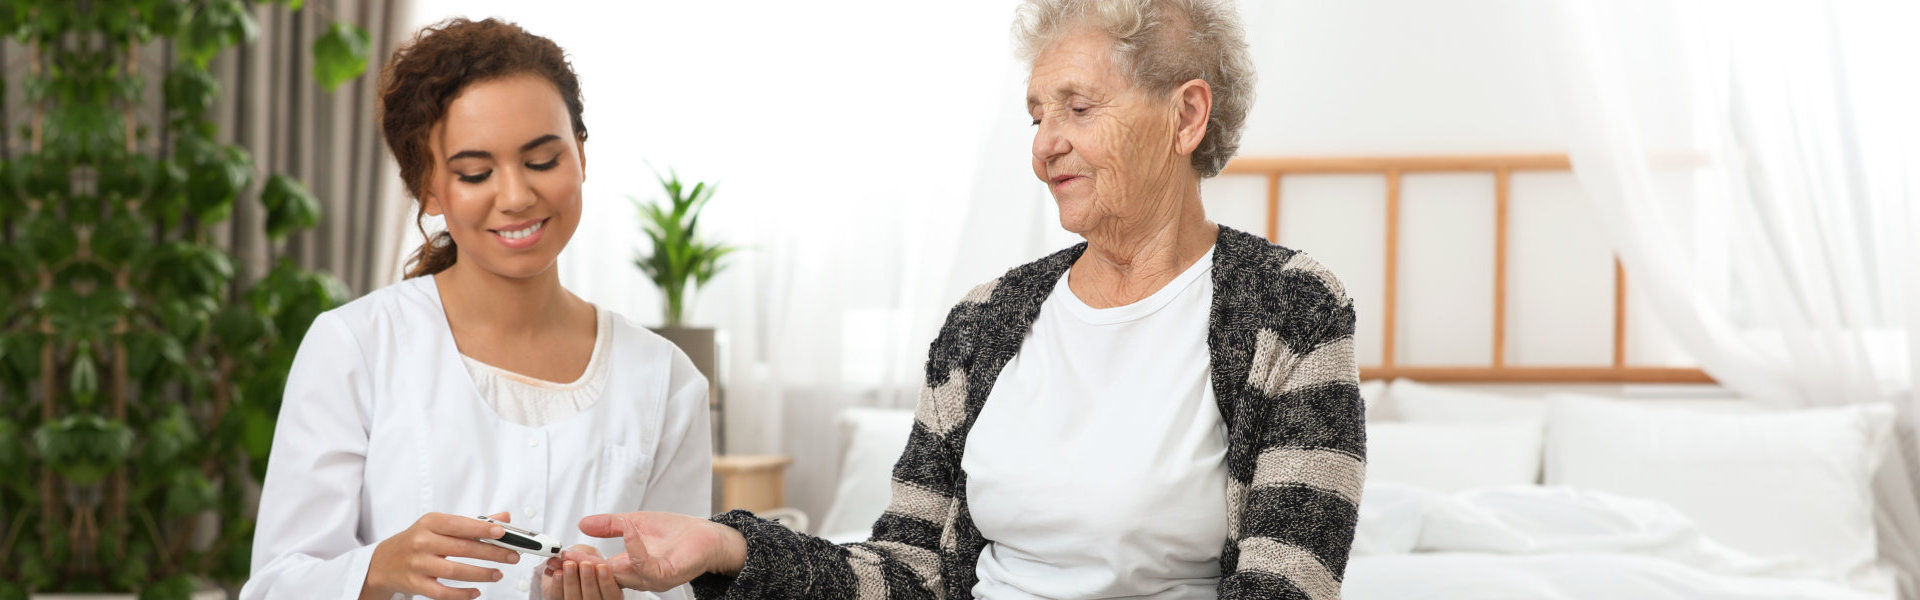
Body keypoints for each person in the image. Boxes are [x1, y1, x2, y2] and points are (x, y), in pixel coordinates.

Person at [545, 0, 1365, 599]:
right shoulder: (985, 322)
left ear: (1187, 115)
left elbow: (1285, 585)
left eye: (1078, 108)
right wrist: (725, 544)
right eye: (1037, 114)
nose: (1045, 146)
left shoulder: (1290, 311)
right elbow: (907, 569)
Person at [240, 18, 710, 600]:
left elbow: (677, 589)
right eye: (475, 173)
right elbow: (274, 587)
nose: (515, 197)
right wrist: (380, 569)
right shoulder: (355, 345)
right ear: (429, 188)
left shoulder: (665, 380)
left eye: (542, 161)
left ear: (581, 158)